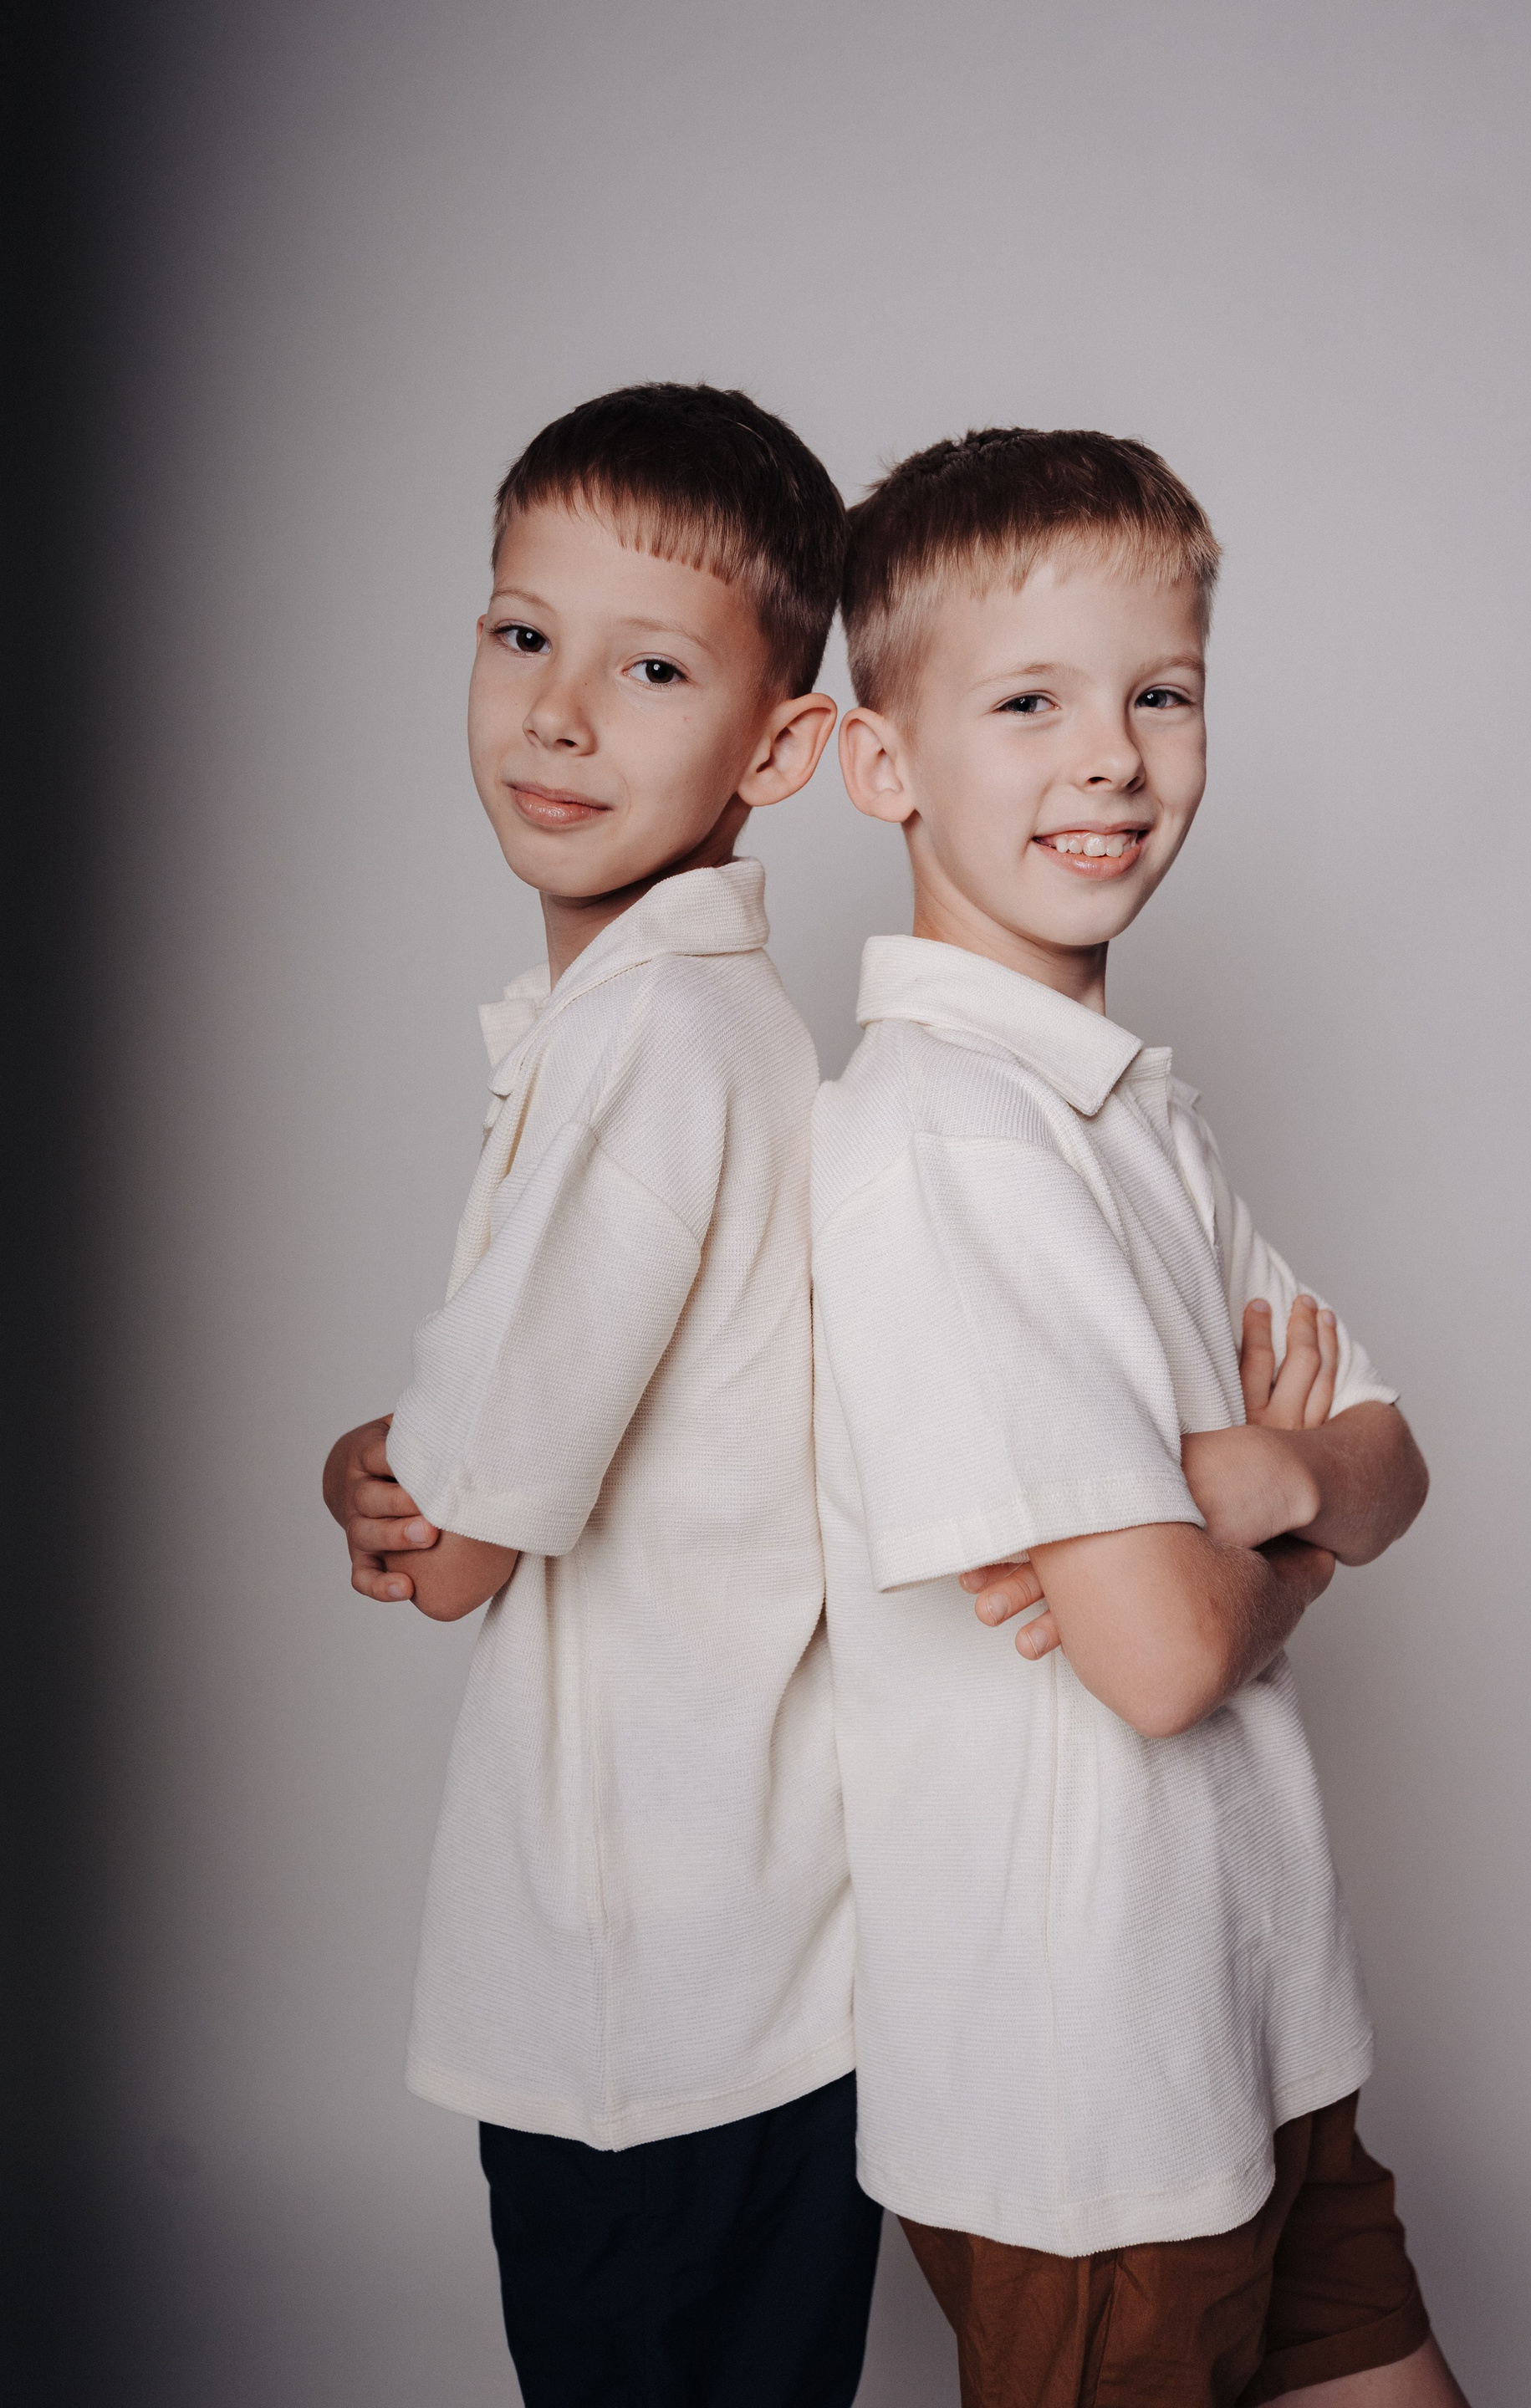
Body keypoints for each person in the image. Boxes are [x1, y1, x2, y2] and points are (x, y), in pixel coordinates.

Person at [810, 426, 1469, 2405]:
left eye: (1158, 696)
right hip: (1089, 2106)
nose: (1110, 757)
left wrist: (1261, 1478)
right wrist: (1297, 1551)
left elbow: (1394, 1461)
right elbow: (1167, 1661)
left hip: (1260, 2024)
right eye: (1030, 703)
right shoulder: (947, 1140)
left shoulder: (1124, 1109)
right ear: (884, 764)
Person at [321, 384, 882, 2407]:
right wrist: (421, 1462)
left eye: (651, 668)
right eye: (521, 633)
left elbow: (453, 1550)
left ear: (779, 748)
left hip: (650, 2001)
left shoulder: (651, 1047)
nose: (558, 712)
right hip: (759, 1966)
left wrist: (366, 1465)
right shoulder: (694, 1024)